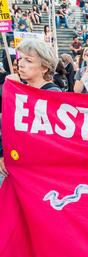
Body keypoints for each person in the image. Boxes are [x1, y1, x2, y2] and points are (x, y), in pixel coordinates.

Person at [1, 39, 61, 177]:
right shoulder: (21, 89)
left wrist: (17, 93)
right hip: (20, 165)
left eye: (28, 60)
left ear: (44, 67)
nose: (20, 64)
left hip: (41, 171)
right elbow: (8, 123)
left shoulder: (53, 94)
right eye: (20, 58)